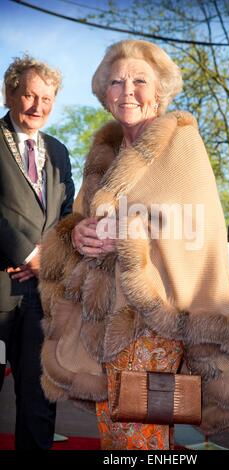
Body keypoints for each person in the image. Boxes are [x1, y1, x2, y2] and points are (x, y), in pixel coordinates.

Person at [39, 39, 229, 451]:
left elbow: (196, 229)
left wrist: (123, 236)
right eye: (116, 82)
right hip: (99, 321)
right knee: (117, 433)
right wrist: (78, 234)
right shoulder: (104, 152)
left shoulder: (181, 142)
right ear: (105, 93)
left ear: (160, 90)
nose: (127, 90)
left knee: (139, 437)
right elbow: (85, 220)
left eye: (140, 80)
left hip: (153, 320)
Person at [0, 55, 74, 450]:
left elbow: (68, 215)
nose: (37, 106)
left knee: (39, 399)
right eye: (29, 95)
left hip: (44, 298)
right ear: (9, 93)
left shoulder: (59, 152)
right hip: (0, 289)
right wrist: (26, 253)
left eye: (46, 99)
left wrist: (49, 256)